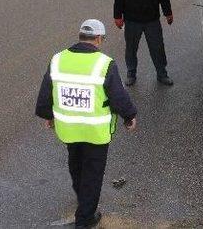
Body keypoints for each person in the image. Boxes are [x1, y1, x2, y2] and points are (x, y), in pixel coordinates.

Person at [35, 19, 137, 229]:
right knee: (92, 173)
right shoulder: (104, 63)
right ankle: (85, 219)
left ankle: (83, 199)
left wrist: (48, 115)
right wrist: (129, 116)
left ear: (80, 36)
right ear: (99, 39)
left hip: (69, 130)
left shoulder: (58, 59)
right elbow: (118, 96)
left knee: (76, 165)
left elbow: (46, 92)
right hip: (95, 132)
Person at [113, 0, 174, 86]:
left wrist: (168, 12)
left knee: (157, 47)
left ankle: (162, 74)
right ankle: (131, 73)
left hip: (152, 19)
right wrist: (117, 16)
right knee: (131, 48)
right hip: (132, 19)